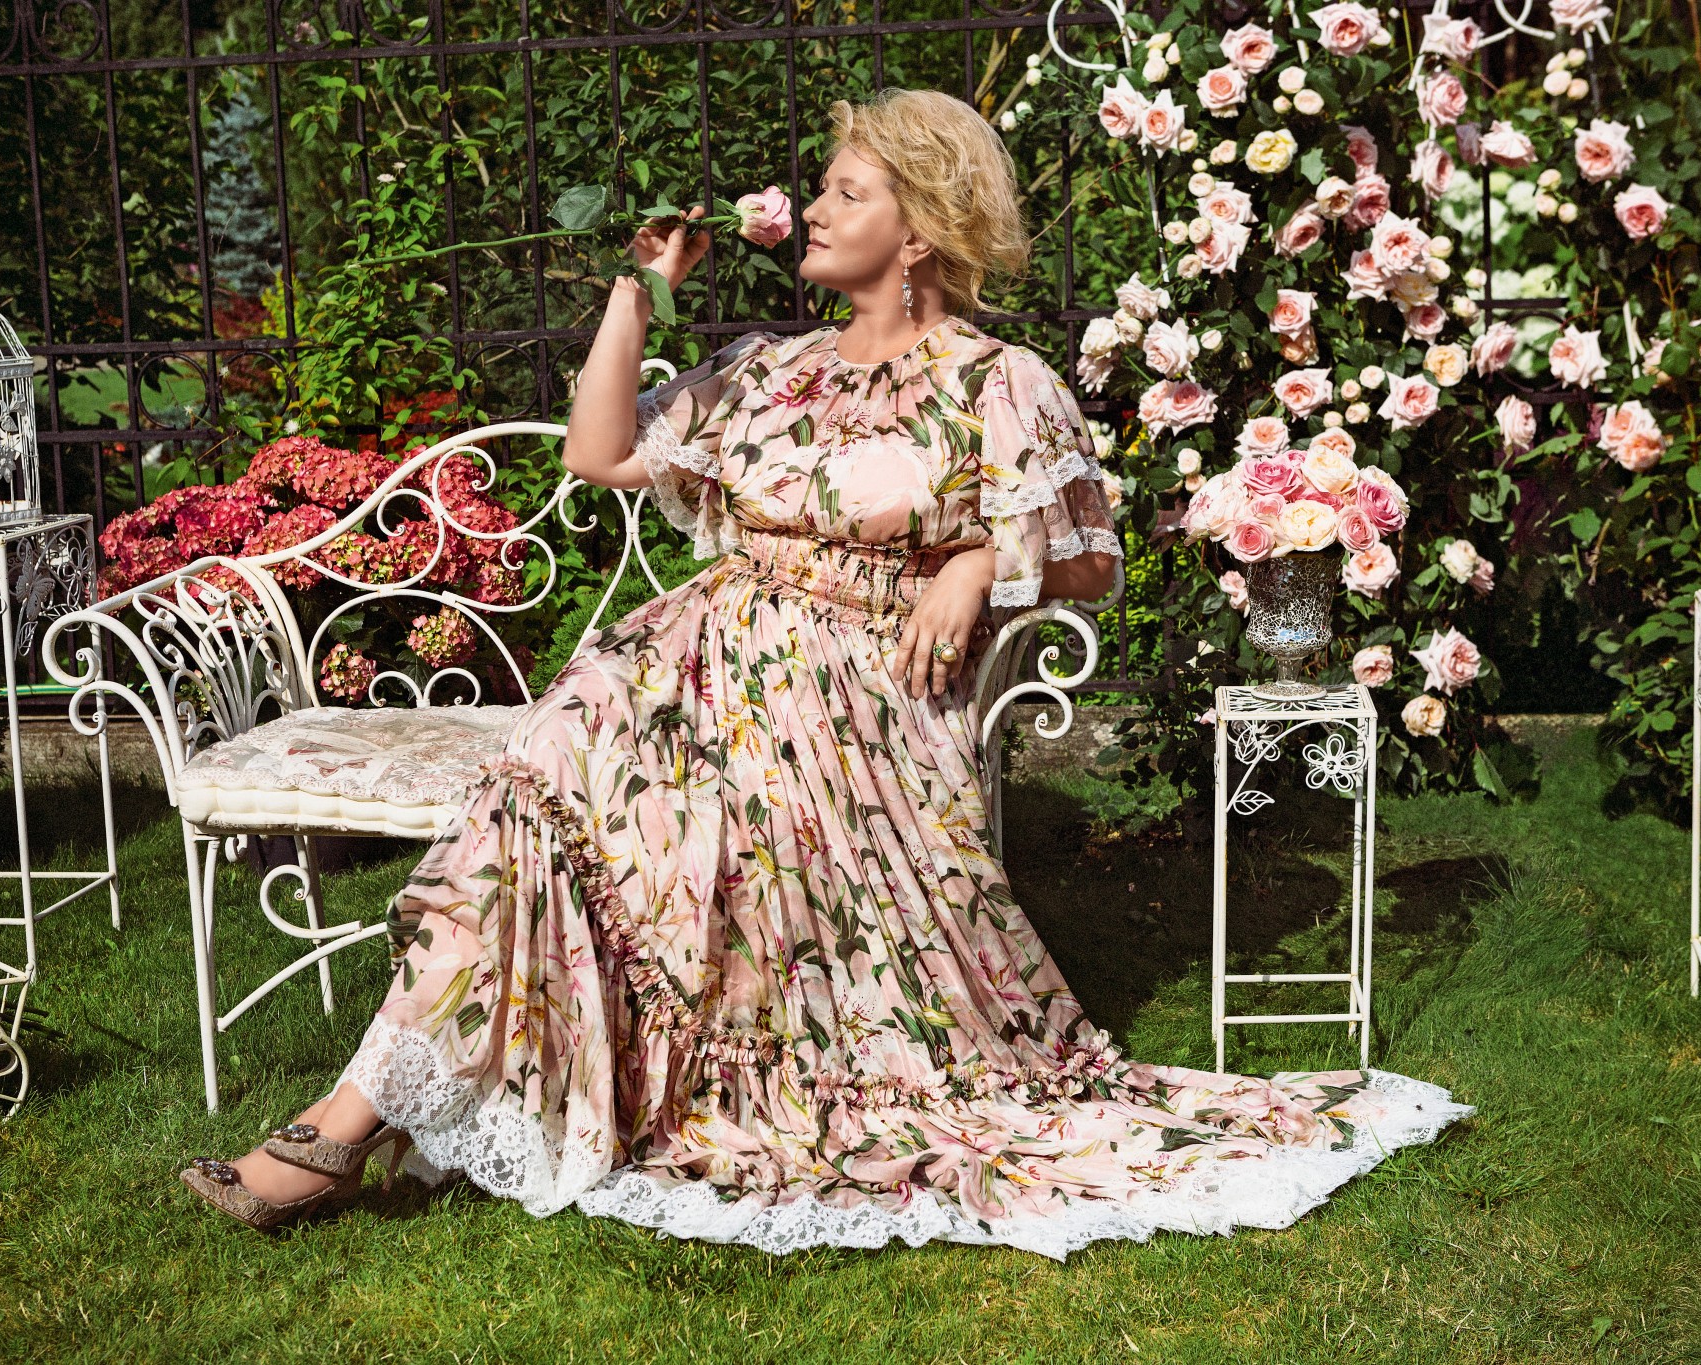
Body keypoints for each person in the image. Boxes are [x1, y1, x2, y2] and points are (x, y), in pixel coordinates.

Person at [181, 88, 1471, 1260]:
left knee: (581, 798)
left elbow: (1088, 560)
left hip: (851, 699)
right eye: (821, 187)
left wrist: (978, 566)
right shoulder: (769, 370)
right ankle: (355, 1117)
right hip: (680, 673)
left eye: (848, 192)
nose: (812, 208)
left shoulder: (996, 383)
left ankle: (351, 1130)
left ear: (919, 234)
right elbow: (597, 454)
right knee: (533, 798)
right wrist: (639, 291)